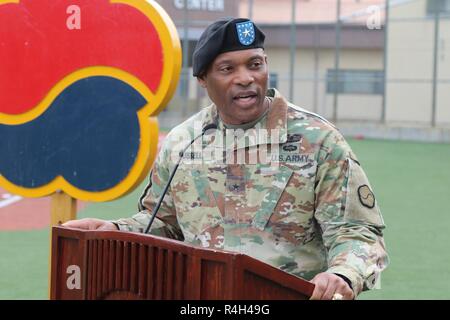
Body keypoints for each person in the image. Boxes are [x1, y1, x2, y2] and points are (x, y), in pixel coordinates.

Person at [64, 18, 388, 300]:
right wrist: (113, 231)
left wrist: (344, 274)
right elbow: (162, 225)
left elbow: (356, 230)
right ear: (203, 80)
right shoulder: (182, 142)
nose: (246, 77)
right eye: (227, 69)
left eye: (255, 64)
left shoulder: (318, 140)